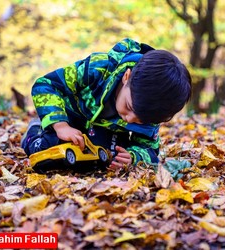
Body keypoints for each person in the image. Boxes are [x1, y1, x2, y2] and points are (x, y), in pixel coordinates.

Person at [21, 38, 191, 170]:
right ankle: (35, 130)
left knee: (106, 158)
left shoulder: (151, 110)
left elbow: (151, 150)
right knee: (43, 151)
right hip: (69, 118)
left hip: (103, 136)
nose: (130, 119)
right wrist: (60, 125)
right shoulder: (98, 68)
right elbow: (46, 84)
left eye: (141, 120)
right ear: (126, 77)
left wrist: (134, 157)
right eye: (130, 107)